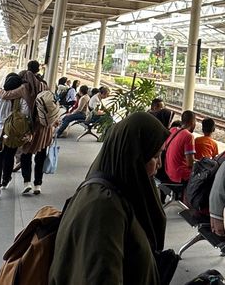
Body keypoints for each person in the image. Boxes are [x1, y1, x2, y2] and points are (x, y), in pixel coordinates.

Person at [50, 112, 174, 285]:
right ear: (133, 156)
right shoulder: (104, 209)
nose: (159, 164)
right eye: (155, 156)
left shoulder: (114, 196)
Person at [0, 66, 59, 195]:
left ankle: (27, 183)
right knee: (41, 156)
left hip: (33, 129)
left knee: (26, 154)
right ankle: (38, 185)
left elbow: (6, 94)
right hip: (46, 128)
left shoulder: (24, 88)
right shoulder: (45, 86)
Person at [165, 109, 198, 183]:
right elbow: (190, 164)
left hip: (169, 172)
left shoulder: (172, 130)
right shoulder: (188, 136)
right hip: (180, 176)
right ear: (192, 122)